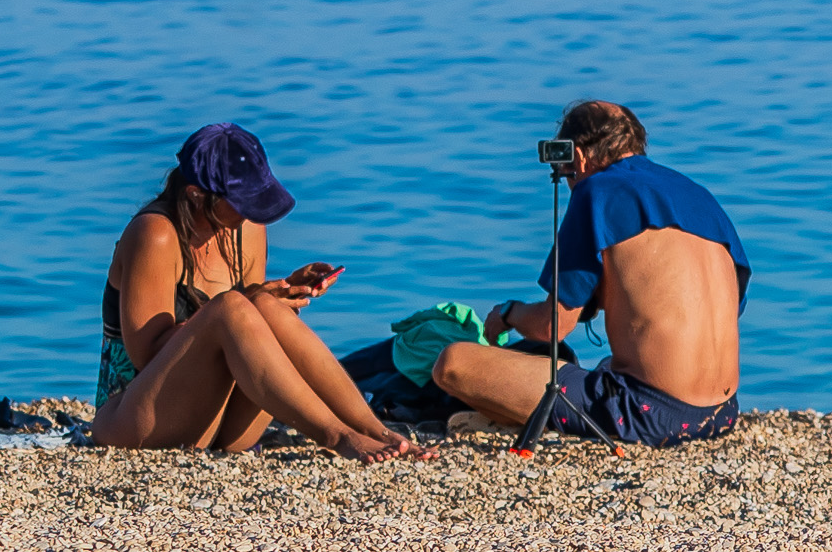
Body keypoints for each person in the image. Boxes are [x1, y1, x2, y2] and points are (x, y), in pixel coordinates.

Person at [89, 122, 420, 459]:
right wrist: (243, 303)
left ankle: (373, 429)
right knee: (234, 307)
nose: (251, 209)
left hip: (222, 424)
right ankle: (336, 435)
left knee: (264, 306)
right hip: (138, 419)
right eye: (241, 200)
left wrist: (282, 292)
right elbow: (147, 356)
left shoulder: (246, 228)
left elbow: (245, 332)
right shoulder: (156, 234)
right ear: (196, 194)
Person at [431, 102, 750, 446]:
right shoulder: (698, 195)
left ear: (579, 158)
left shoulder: (597, 192)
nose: (569, 182)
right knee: (607, 364)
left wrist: (508, 314)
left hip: (650, 415)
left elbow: (551, 327)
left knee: (453, 363)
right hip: (722, 412)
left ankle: (506, 417)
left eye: (566, 173)